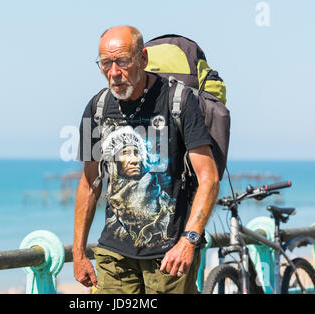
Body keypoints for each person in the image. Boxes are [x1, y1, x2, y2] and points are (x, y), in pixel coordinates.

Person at [73, 25, 220, 294]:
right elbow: (89, 183)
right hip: (114, 256)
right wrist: (79, 251)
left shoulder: (178, 101)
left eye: (123, 62)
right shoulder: (97, 107)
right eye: (106, 63)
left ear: (143, 59)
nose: (114, 73)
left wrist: (188, 241)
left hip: (170, 256)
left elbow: (208, 178)